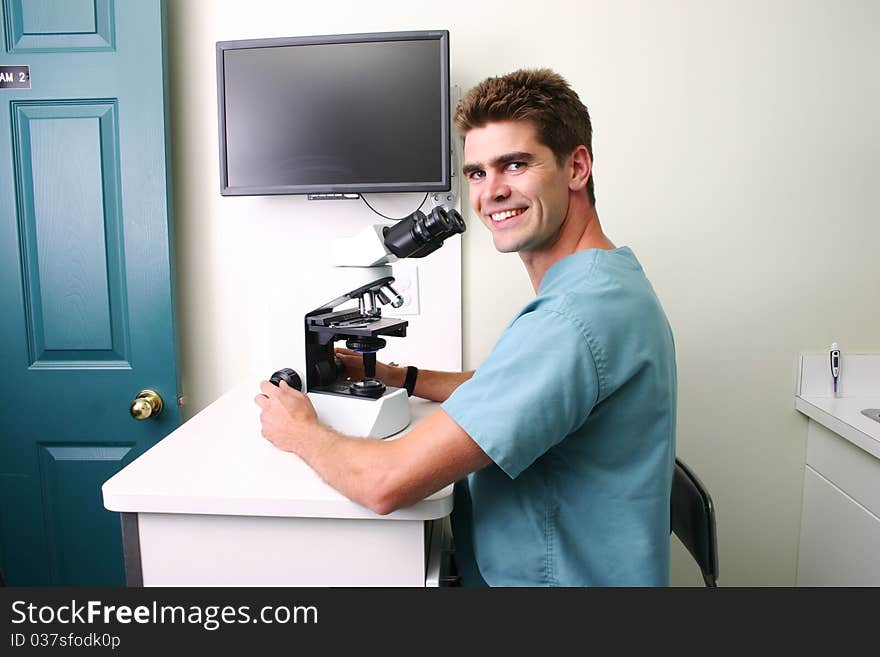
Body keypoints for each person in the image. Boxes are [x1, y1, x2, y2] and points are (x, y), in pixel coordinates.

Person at [255, 69, 677, 586]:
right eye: (476, 173)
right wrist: (397, 376)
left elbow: (384, 483)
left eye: (515, 165)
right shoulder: (603, 281)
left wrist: (299, 432)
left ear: (577, 167)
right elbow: (501, 387)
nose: (491, 192)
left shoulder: (573, 320)